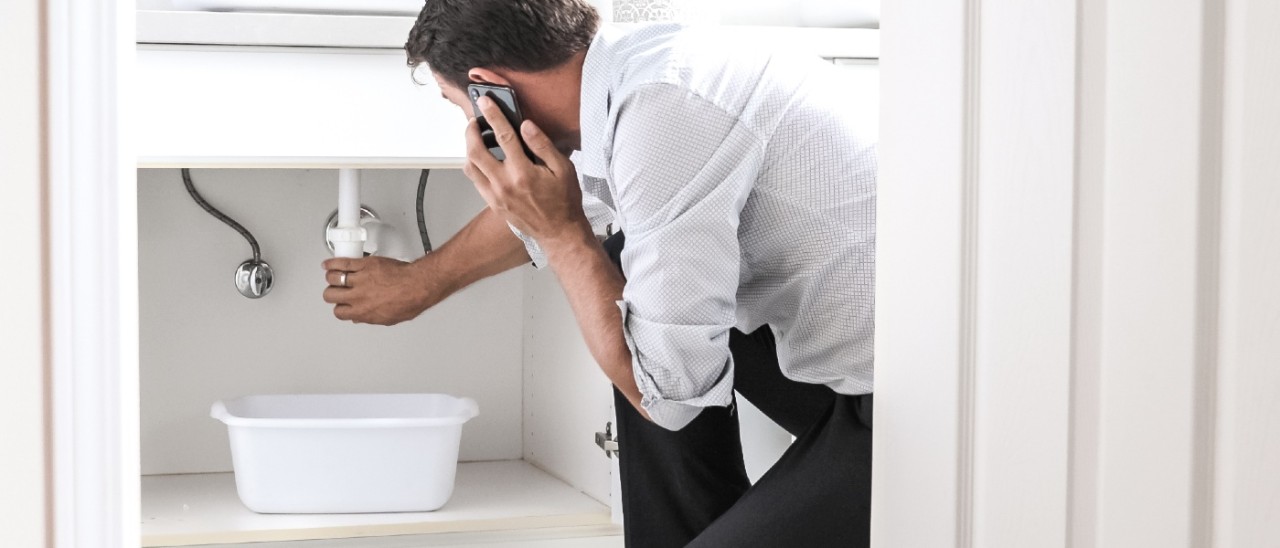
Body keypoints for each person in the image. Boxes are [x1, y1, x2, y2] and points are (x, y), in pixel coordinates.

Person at [321, 0, 876, 546]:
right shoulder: (640, 73)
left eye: (461, 105)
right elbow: (575, 199)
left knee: (614, 277)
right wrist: (422, 282)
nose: (468, 125)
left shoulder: (664, 115)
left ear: (491, 90)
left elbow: (672, 404)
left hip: (920, 410)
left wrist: (564, 238)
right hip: (861, 371)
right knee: (624, 260)